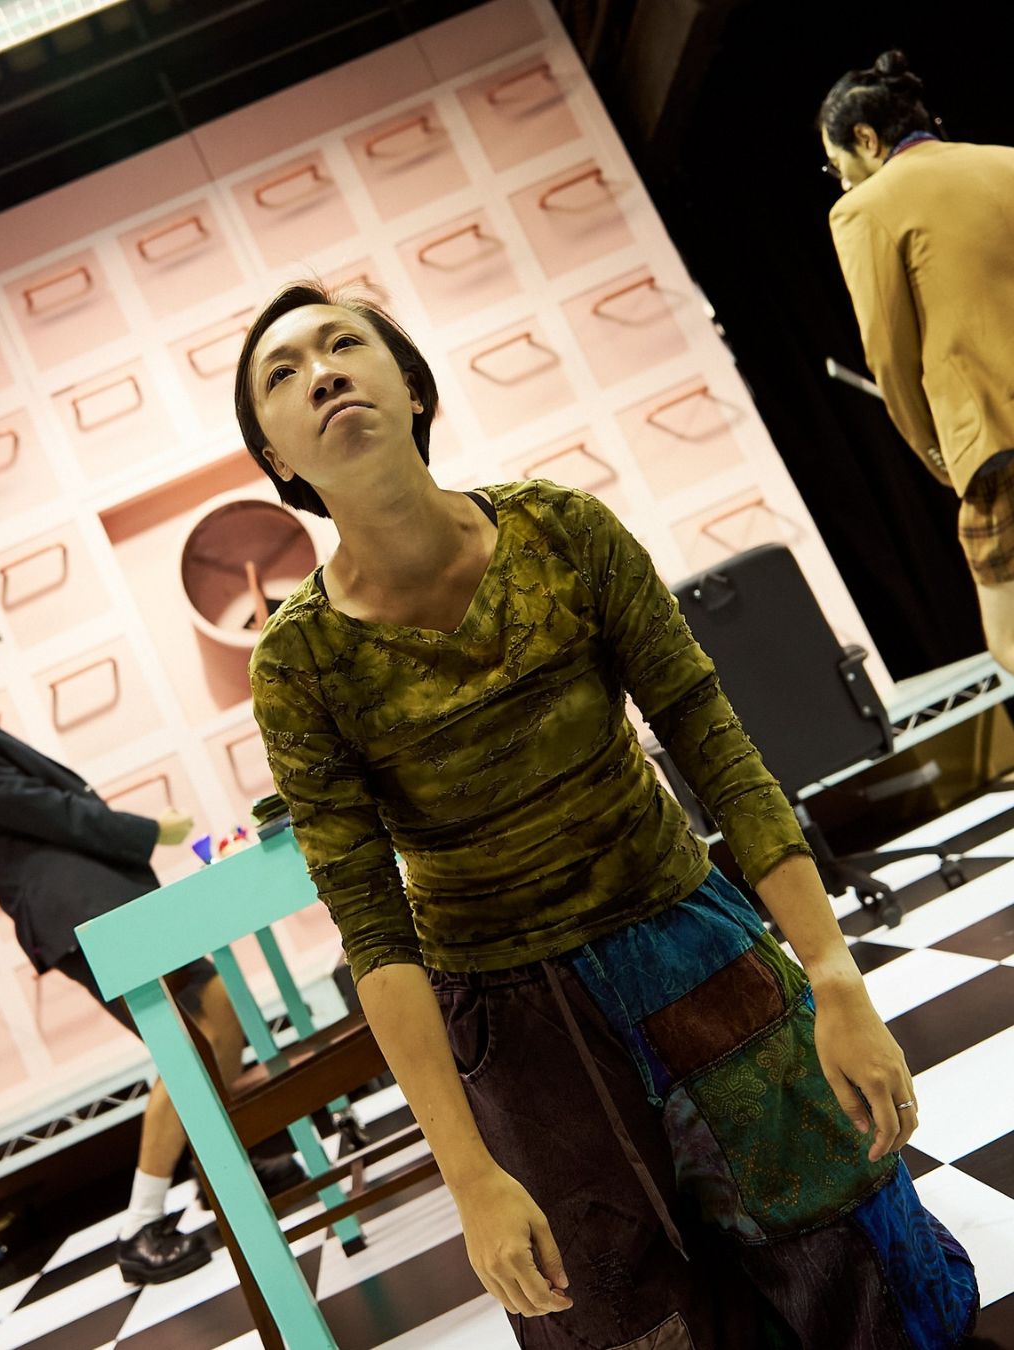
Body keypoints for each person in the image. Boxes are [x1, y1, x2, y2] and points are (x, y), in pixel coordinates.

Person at [237, 279, 978, 1348]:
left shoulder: (562, 531)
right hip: (514, 1020)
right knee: (625, 1319)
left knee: (847, 1249)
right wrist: (468, 1174)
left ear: (413, 387)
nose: (321, 373)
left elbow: (713, 743)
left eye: (343, 343)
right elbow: (371, 922)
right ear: (276, 457)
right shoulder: (298, 660)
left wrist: (833, 974)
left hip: (685, 936)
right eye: (283, 373)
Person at [0, 610, 300, 1284]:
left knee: (218, 1012)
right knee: (184, 1045)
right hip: (78, 909)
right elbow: (39, 808)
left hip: (102, 898)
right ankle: (142, 1226)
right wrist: (146, 831)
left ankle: (220, 1173)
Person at [819, 49, 1014, 671]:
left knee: (1009, 641)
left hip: (995, 439)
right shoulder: (1005, 161)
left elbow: (888, 355)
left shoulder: (862, 208)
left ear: (866, 139)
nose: (841, 182)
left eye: (836, 165)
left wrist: (937, 455)